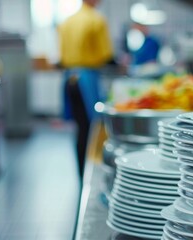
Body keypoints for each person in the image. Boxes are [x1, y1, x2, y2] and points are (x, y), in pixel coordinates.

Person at [58, 0, 113, 179]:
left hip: (69, 79)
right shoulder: (96, 20)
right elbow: (106, 55)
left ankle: (82, 172)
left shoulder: (66, 22)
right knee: (92, 128)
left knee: (80, 127)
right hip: (87, 80)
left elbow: (61, 56)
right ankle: (92, 171)